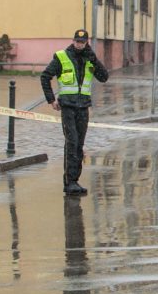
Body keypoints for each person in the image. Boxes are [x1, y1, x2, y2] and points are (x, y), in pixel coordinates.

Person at [40, 29, 108, 195]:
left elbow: (104, 77)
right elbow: (45, 76)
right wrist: (51, 100)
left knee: (79, 145)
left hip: (83, 107)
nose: (79, 44)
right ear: (73, 41)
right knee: (72, 142)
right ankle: (69, 182)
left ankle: (75, 181)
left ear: (86, 42)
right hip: (68, 106)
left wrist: (94, 59)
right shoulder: (62, 56)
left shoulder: (89, 58)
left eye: (82, 42)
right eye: (77, 42)